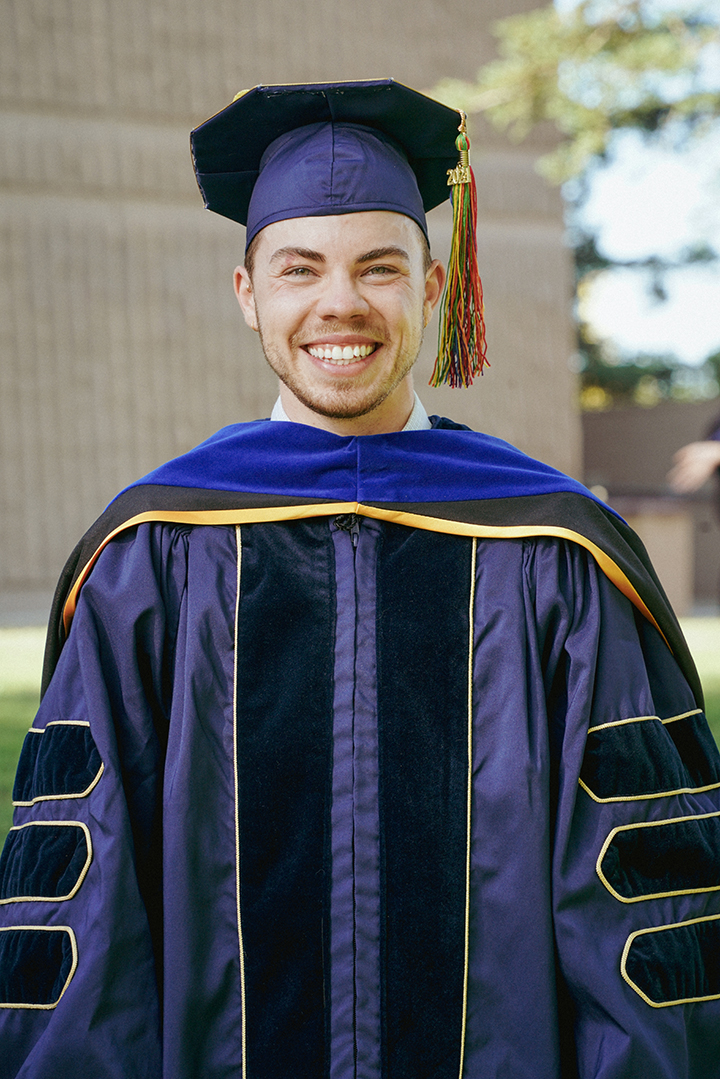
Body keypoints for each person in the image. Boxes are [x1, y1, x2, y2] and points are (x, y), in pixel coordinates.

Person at [1, 80, 719, 1079]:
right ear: (248, 291)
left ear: (433, 288)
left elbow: (641, 899)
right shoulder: (150, 557)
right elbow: (82, 908)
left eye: (380, 267)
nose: (341, 303)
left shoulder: (555, 551)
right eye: (301, 269)